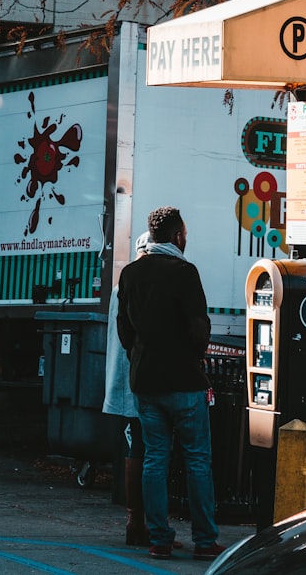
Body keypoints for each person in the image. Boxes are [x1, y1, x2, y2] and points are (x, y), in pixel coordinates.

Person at [116, 206, 225, 561]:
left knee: (154, 460)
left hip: (146, 382)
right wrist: (196, 351)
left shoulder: (131, 274)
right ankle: (205, 540)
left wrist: (140, 354)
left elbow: (124, 329)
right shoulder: (184, 272)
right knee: (196, 460)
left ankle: (159, 538)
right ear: (178, 235)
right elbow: (198, 327)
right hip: (184, 382)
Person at [103, 231, 152, 546]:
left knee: (141, 447)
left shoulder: (124, 284)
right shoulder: (136, 286)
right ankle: (137, 521)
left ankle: (141, 521)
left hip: (128, 381)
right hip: (137, 381)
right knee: (143, 449)